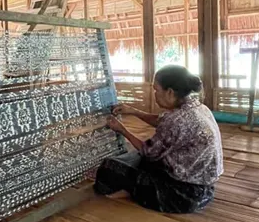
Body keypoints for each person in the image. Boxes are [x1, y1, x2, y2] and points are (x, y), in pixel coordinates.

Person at [96, 65, 223, 213]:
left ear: (169, 92)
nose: (155, 94)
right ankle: (135, 189)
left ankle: (135, 192)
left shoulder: (177, 120)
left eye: (156, 90)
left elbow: (147, 151)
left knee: (109, 167)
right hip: (205, 188)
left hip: (182, 195)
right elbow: (161, 121)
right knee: (141, 161)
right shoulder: (199, 108)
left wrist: (121, 129)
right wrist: (133, 111)